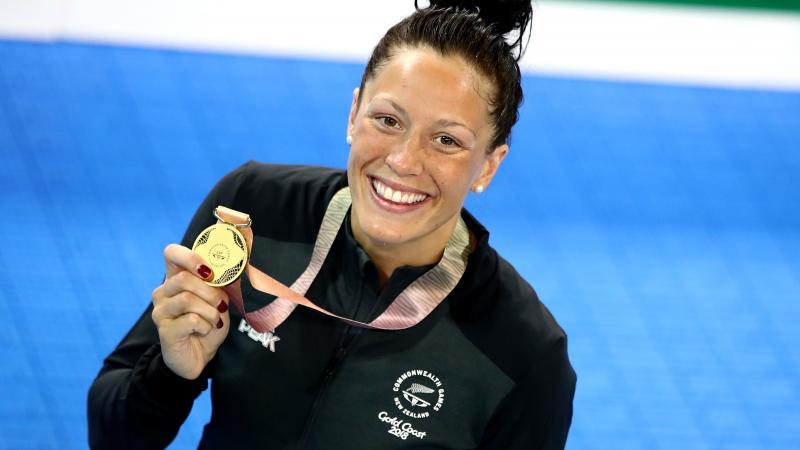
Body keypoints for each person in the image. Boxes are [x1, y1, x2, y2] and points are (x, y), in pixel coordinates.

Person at [88, 1, 576, 448]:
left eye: (446, 140)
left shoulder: (523, 354)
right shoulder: (253, 213)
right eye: (387, 120)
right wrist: (171, 373)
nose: (404, 161)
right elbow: (112, 437)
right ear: (353, 113)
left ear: (488, 166)